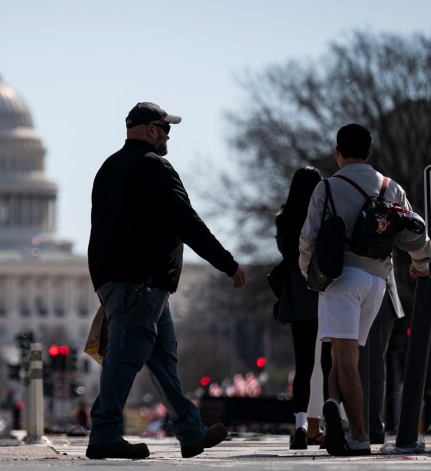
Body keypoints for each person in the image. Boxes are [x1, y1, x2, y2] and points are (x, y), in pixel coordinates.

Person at [86, 102, 247, 460]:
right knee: (126, 356)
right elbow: (185, 221)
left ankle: (191, 432)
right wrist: (227, 263)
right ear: (150, 130)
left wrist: (103, 282)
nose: (169, 135)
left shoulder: (108, 168)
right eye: (165, 128)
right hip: (141, 282)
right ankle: (104, 433)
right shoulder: (153, 166)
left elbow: (100, 229)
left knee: (161, 358)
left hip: (127, 282)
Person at [299, 123, 431, 456]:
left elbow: (308, 239)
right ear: (369, 153)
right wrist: (422, 263)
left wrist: (308, 275)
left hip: (341, 278)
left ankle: (357, 436)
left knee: (344, 360)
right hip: (378, 282)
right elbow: (414, 230)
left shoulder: (327, 188)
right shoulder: (391, 187)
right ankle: (334, 411)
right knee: (344, 355)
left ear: (338, 152)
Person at [274, 166, 324, 449]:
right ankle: (330, 422)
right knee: (328, 362)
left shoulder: (284, 219)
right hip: (323, 287)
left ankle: (301, 426)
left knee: (302, 363)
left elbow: (286, 252)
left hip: (296, 290)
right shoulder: (323, 214)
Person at [360, 277, 404, 445]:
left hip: (372, 291)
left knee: (371, 365)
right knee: (373, 364)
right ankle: (370, 425)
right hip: (379, 289)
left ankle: (370, 425)